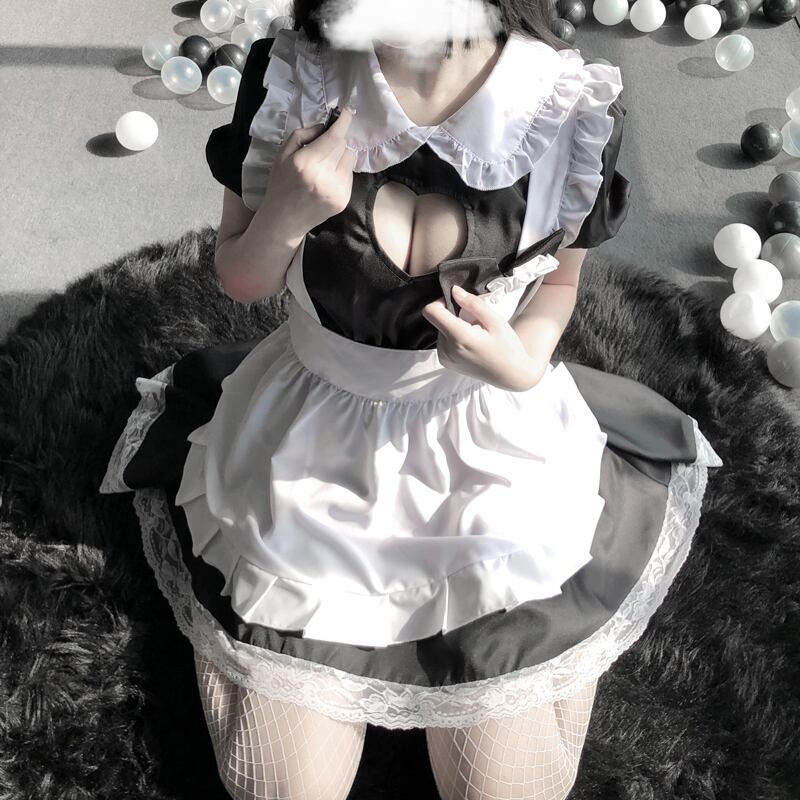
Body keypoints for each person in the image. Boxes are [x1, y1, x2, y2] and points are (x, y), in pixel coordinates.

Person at [98, 1, 724, 798]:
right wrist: (288, 209)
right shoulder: (295, 74)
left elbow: (560, 285)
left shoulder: (569, 104)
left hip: (488, 447)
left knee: (508, 789)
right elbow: (243, 277)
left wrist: (521, 363)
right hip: (309, 448)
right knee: (278, 787)